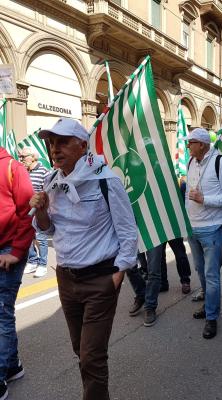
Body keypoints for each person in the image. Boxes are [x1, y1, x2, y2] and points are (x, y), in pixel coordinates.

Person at [29, 118, 138, 400]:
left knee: (91, 355)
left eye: (63, 142)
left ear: (82, 145)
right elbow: (48, 228)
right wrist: (40, 210)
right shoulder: (51, 180)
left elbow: (127, 230)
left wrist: (119, 272)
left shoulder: (106, 180)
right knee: (81, 350)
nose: (55, 148)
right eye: (52, 143)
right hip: (66, 278)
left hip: (100, 279)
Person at [185, 127, 222, 339]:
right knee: (199, 269)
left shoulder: (220, 163)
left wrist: (204, 199)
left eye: (191, 143)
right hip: (193, 227)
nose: (188, 146)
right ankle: (208, 305)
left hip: (213, 228)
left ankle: (212, 317)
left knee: (212, 274)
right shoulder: (190, 162)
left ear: (203, 145)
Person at [0, 146, 34, 400]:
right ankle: (12, 366)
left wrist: (18, 250)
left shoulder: (13, 167)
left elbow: (28, 213)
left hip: (10, 249)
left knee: (1, 313)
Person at [18, 146, 49, 278]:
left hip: (38, 211)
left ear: (32, 157)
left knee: (41, 238)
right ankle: (32, 261)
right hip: (25, 211)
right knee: (28, 238)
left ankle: (42, 265)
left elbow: (47, 193)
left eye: (23, 157)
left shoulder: (44, 171)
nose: (21, 159)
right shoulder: (23, 171)